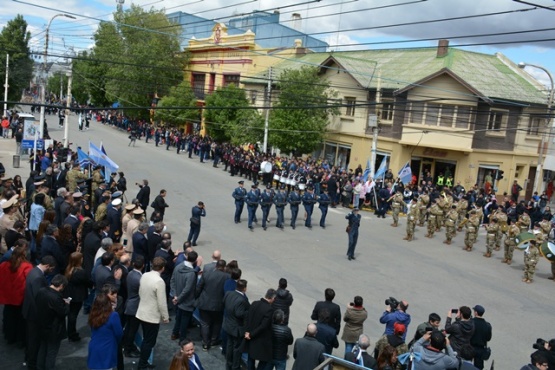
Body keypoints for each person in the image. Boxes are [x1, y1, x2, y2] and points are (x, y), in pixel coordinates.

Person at [22, 255, 57, 370]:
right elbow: (39, 298)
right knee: (34, 341)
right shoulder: (38, 277)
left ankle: (29, 360)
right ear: (47, 266)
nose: (51, 271)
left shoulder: (33, 271)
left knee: (31, 339)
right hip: (34, 314)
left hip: (29, 310)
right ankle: (32, 364)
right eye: (51, 269)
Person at [136, 256, 170, 369]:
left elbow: (140, 291)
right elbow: (162, 302)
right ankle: (142, 364)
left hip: (142, 311)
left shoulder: (145, 275)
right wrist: (165, 317)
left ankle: (143, 362)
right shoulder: (159, 281)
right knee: (149, 342)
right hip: (151, 316)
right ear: (163, 268)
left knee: (146, 339)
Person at [35, 274, 70, 370]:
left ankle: (39, 367)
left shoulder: (41, 291)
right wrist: (67, 304)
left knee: (42, 349)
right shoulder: (55, 297)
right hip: (54, 330)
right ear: (62, 285)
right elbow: (63, 312)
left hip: (42, 326)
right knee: (51, 353)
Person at [0, 245, 33, 345]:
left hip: (7, 296)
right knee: (21, 319)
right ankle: (20, 339)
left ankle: (10, 337)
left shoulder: (4, 265)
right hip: (21, 297)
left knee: (9, 317)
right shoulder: (27, 266)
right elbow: (30, 281)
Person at [195, 259, 229, 351]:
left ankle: (205, 343)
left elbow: (199, 287)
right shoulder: (227, 277)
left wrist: (195, 298)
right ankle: (214, 341)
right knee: (217, 323)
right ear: (224, 267)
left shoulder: (206, 274)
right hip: (218, 305)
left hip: (204, 303)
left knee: (205, 323)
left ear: (216, 266)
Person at [87, 292, 124, 370]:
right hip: (107, 349)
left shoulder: (92, 315)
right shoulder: (113, 315)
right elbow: (119, 333)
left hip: (94, 347)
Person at [245, 288, 277, 370]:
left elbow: (248, 318)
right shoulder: (269, 310)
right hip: (259, 338)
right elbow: (263, 326)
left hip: (249, 335)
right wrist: (251, 334)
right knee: (265, 359)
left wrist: (248, 332)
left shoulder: (255, 303)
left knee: (250, 357)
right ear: (272, 298)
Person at [171, 251, 199, 342]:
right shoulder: (191, 274)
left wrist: (175, 296)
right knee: (184, 321)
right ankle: (182, 339)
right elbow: (188, 289)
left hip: (178, 299)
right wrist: (178, 299)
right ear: (195, 260)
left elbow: (173, 281)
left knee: (179, 317)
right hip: (186, 301)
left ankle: (175, 333)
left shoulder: (178, 267)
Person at [223, 279, 250, 370]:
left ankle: (229, 364)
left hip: (228, 324)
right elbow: (239, 314)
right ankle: (235, 366)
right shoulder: (242, 300)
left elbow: (224, 303)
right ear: (245, 288)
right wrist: (248, 312)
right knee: (237, 348)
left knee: (229, 345)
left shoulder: (228, 293)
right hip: (236, 328)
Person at [64, 251, 91, 342]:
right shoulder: (80, 272)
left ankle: (70, 332)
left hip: (70, 295)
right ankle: (72, 334)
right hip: (77, 296)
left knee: (71, 314)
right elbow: (88, 282)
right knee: (73, 315)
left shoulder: (69, 269)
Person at [470, 305, 492, 370]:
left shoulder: (471, 322)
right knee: (478, 367)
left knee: (467, 364)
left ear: (476, 313)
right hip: (480, 349)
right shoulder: (487, 325)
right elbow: (488, 338)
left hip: (470, 347)